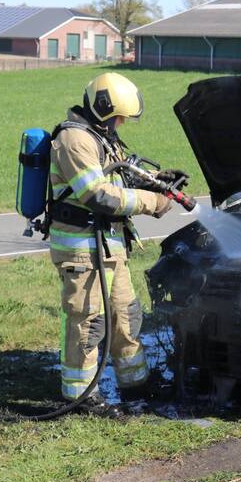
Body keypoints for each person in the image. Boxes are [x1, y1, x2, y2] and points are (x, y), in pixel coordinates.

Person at [48, 72, 178, 415]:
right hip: (81, 249)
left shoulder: (103, 136)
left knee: (125, 316)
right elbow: (98, 195)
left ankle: (136, 384)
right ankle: (80, 397)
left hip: (108, 247)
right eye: (118, 116)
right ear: (103, 107)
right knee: (87, 322)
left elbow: (122, 174)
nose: (121, 122)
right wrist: (153, 203)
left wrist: (158, 182)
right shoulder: (74, 140)